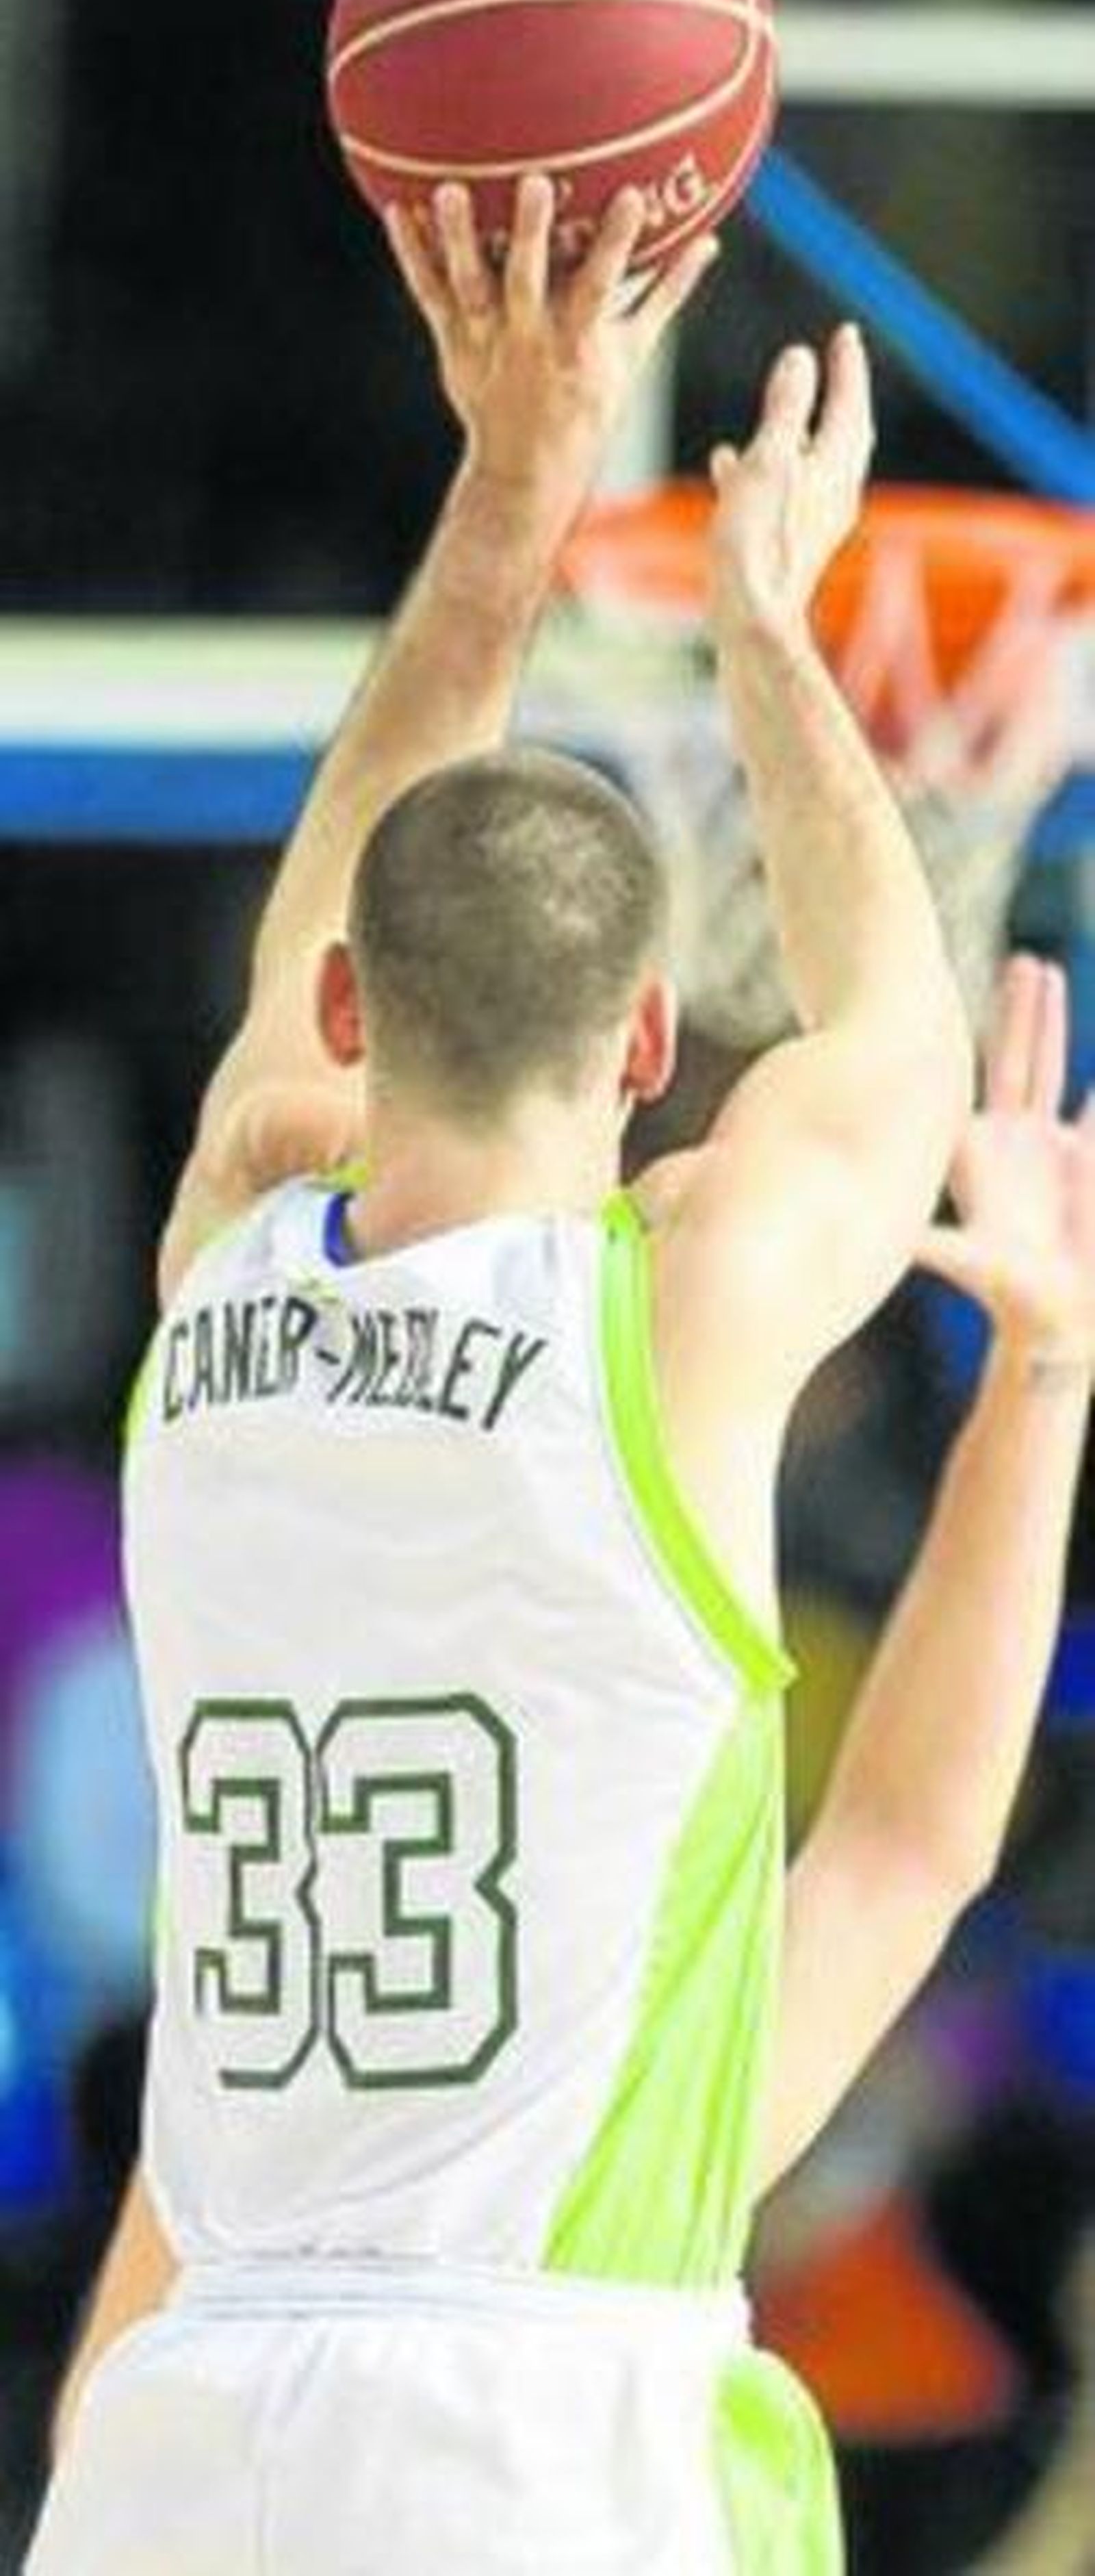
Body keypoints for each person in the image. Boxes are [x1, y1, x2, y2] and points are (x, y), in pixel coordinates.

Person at [28, 177, 972, 2574]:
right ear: (650, 1044)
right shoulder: (669, 1326)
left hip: (189, 2419)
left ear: (350, 1011)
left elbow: (332, 900)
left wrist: (509, 491)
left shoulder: (218, 1284)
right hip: (533, 2430)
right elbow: (900, 1046)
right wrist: (767, 630)